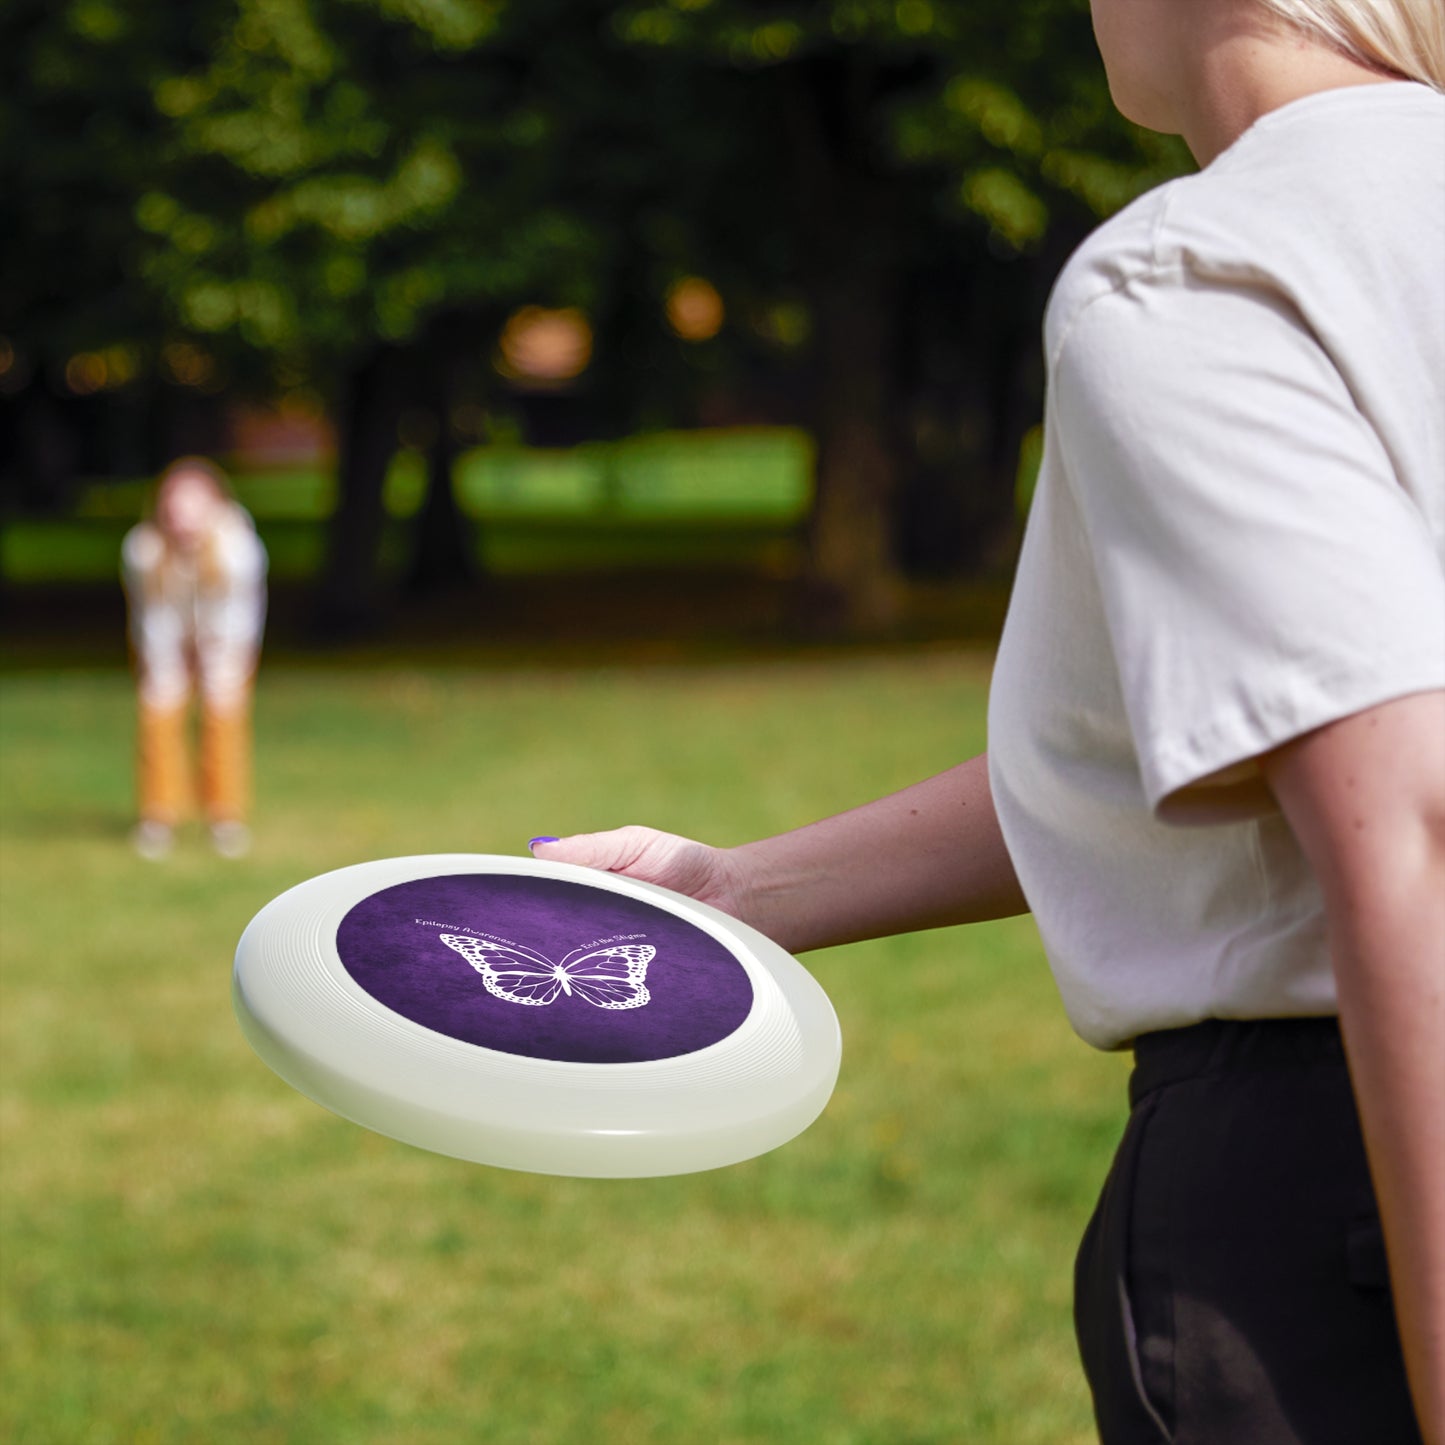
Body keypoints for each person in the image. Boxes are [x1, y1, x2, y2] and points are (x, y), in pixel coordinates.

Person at [529, 2, 1445, 1441]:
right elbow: (1225, 741)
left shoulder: (1204, 270)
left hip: (1342, 1189)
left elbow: (1408, 821)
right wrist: (738, 888)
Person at [121, 457, 268, 860]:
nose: (182, 517)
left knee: (223, 717)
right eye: (174, 506)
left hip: (226, 642)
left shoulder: (239, 548)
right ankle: (158, 816)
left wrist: (215, 659)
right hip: (165, 640)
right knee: (158, 712)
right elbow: (152, 616)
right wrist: (168, 665)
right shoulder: (143, 549)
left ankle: (225, 817)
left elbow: (238, 616)